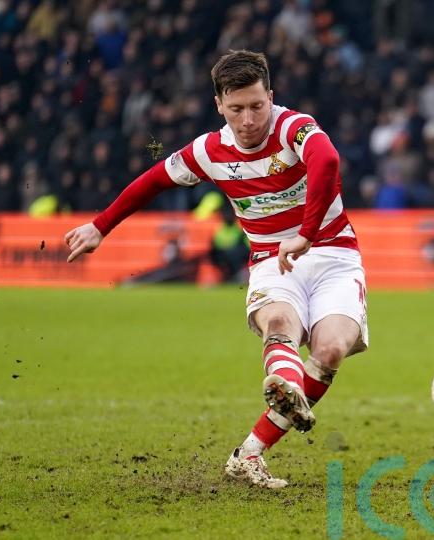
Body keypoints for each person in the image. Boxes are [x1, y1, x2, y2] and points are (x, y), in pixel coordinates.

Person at [64, 50, 368, 489]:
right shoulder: (208, 151)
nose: (248, 120)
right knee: (279, 324)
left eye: (257, 106)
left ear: (271, 97)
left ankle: (249, 453)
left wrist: (304, 233)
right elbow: (152, 181)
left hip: (334, 256)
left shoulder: (294, 128)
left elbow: (328, 161)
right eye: (237, 108)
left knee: (330, 351)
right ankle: (284, 384)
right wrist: (99, 226)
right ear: (219, 105)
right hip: (271, 262)